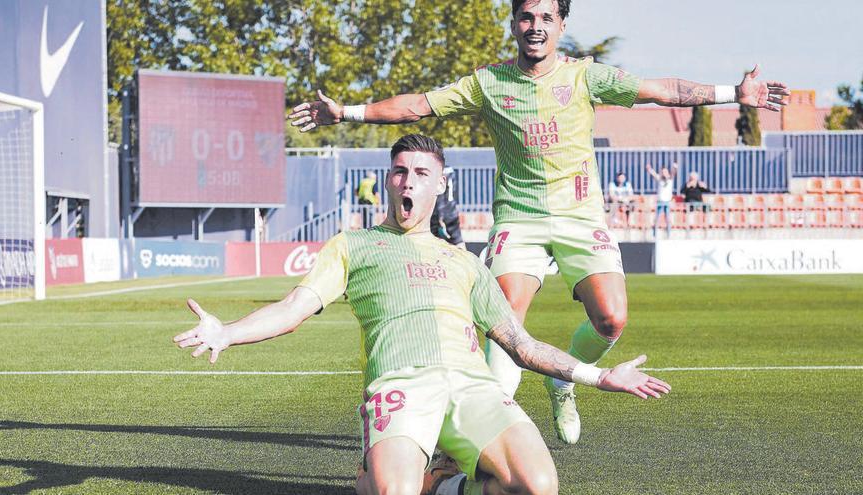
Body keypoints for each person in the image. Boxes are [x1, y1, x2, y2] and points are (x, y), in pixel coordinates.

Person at [288, 0, 787, 444]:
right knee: (506, 318)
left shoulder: (585, 76)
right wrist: (346, 112)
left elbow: (662, 90)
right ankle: (487, 426)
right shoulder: (489, 82)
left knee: (612, 319)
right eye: (527, 16)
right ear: (514, 23)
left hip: (580, 215)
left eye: (546, 17)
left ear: (561, 24)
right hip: (518, 220)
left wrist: (731, 93)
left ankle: (562, 378)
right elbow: (419, 105)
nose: (535, 26)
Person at [173, 134, 671, 495]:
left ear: (441, 185)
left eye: (421, 173)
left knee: (537, 487)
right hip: (402, 386)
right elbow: (292, 309)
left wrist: (598, 375)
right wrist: (227, 332)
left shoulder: (465, 263)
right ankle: (392, 476)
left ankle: (446, 485)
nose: (407, 182)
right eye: (400, 171)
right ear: (389, 180)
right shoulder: (354, 246)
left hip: (474, 388)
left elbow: (522, 346)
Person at [430, 165, 465, 248]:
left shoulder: (439, 173)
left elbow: (441, 200)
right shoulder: (449, 171)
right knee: (457, 240)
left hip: (443, 213)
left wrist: (440, 215)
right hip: (450, 211)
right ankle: (466, 259)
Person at [647, 163, 678, 238]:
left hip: (667, 202)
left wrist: (675, 167)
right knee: (657, 218)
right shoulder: (660, 179)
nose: (664, 173)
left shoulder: (670, 179)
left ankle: (668, 234)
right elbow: (653, 174)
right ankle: (654, 234)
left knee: (667, 218)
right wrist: (649, 169)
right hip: (660, 202)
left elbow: (674, 172)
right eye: (663, 172)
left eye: (665, 172)